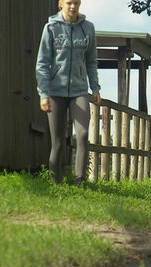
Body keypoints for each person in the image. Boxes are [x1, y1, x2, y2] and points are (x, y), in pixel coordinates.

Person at [36, 0, 101, 186]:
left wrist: (95, 88)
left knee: (82, 134)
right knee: (57, 141)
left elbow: (91, 61)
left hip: (79, 91)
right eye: (69, 3)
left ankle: (79, 180)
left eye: (77, 3)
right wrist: (43, 93)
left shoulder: (88, 28)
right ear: (61, 4)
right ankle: (55, 183)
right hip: (55, 91)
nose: (73, 7)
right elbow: (42, 64)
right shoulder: (51, 28)